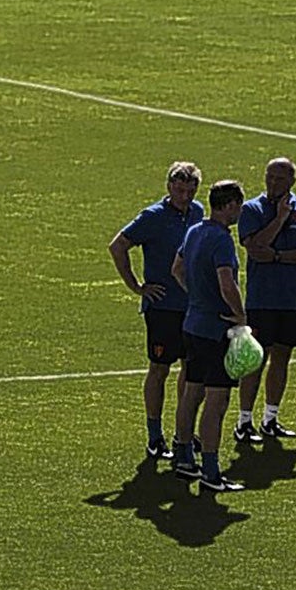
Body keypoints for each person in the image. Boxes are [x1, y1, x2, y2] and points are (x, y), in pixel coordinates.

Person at [108, 160, 203, 460]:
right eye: (179, 190)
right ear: (169, 187)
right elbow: (118, 246)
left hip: (192, 306)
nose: (184, 197)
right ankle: (154, 436)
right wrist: (137, 286)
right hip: (163, 307)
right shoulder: (153, 216)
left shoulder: (199, 213)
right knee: (160, 368)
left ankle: (183, 432)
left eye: (190, 190)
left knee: (190, 369)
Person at [234, 156, 296, 442]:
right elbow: (255, 247)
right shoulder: (252, 209)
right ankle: (244, 421)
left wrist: (279, 256)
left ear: (292, 181)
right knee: (255, 359)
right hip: (261, 299)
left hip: (293, 299)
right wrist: (280, 218)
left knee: (283, 357)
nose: (273, 183)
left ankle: (270, 418)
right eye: (270, 177)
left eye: (280, 179)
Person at [170, 179, 248, 492]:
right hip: (217, 329)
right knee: (217, 401)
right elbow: (227, 282)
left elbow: (177, 269)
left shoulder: (194, 231)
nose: (240, 211)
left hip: (193, 324)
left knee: (191, 393)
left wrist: (197, 297)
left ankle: (184, 458)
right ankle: (212, 472)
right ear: (229, 205)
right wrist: (240, 316)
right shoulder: (221, 240)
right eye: (238, 206)